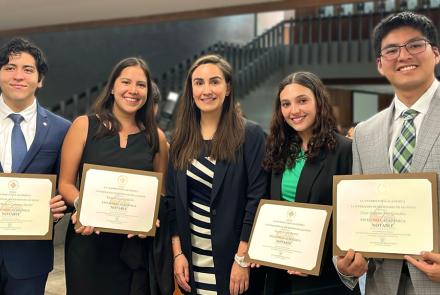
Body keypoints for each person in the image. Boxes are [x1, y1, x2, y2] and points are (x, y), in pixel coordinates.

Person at [336, 11, 440, 294]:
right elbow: (359, 213)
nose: (404, 55)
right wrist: (347, 264)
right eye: (392, 50)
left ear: (436, 53)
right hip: (383, 285)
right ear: (380, 64)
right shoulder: (365, 133)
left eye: (415, 45)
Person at [58, 57, 169, 295]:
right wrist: (83, 207)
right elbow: (65, 184)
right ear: (112, 87)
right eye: (126, 82)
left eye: (141, 85)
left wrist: (150, 218)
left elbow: (160, 192)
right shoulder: (83, 126)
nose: (133, 90)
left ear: (148, 92)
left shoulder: (156, 138)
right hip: (88, 242)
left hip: (134, 248)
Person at [167, 54, 266, 295]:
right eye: (198, 83)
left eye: (215, 81)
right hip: (192, 258)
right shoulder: (179, 139)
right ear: (191, 90)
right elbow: (172, 201)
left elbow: (257, 199)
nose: (206, 90)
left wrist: (242, 258)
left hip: (234, 259)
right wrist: (178, 253)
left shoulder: (250, 135)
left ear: (228, 87)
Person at [262, 71, 356, 295]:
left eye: (302, 101)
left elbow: (350, 217)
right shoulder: (279, 151)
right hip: (280, 273)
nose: (294, 111)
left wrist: (312, 256)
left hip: (323, 277)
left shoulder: (344, 150)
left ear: (319, 102)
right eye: (286, 104)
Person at [0, 37, 70, 295]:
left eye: (28, 69)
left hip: (29, 259)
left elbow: (69, 185)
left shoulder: (61, 129)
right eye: (9, 67)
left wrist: (60, 204)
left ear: (40, 79)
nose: (18, 75)